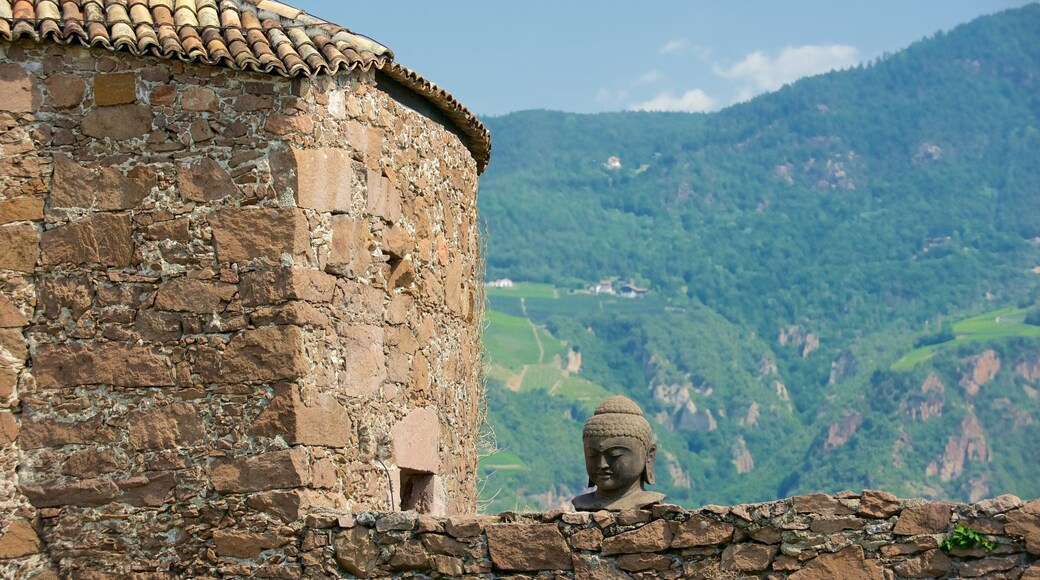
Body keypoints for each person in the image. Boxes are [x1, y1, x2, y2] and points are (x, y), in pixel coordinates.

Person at [571, 395, 666, 511]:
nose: (602, 464)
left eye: (614, 455)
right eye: (592, 455)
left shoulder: (650, 501)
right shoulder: (581, 502)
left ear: (649, 455)